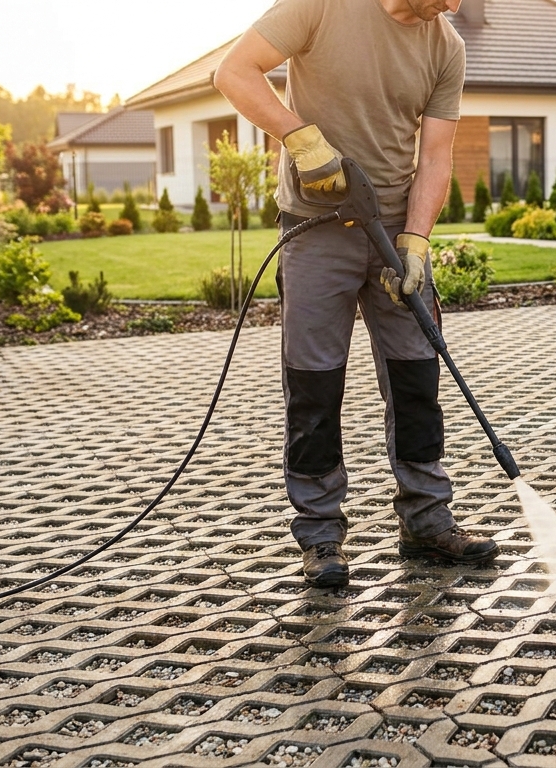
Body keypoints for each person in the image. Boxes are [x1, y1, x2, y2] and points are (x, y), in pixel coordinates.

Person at [213, 0, 499, 589]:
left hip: (394, 226)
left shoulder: (446, 45)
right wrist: (299, 137)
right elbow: (232, 72)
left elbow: (437, 154)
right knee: (314, 380)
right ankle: (320, 535)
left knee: (418, 372)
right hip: (316, 226)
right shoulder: (320, 5)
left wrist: (416, 240)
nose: (454, 5)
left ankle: (426, 519)